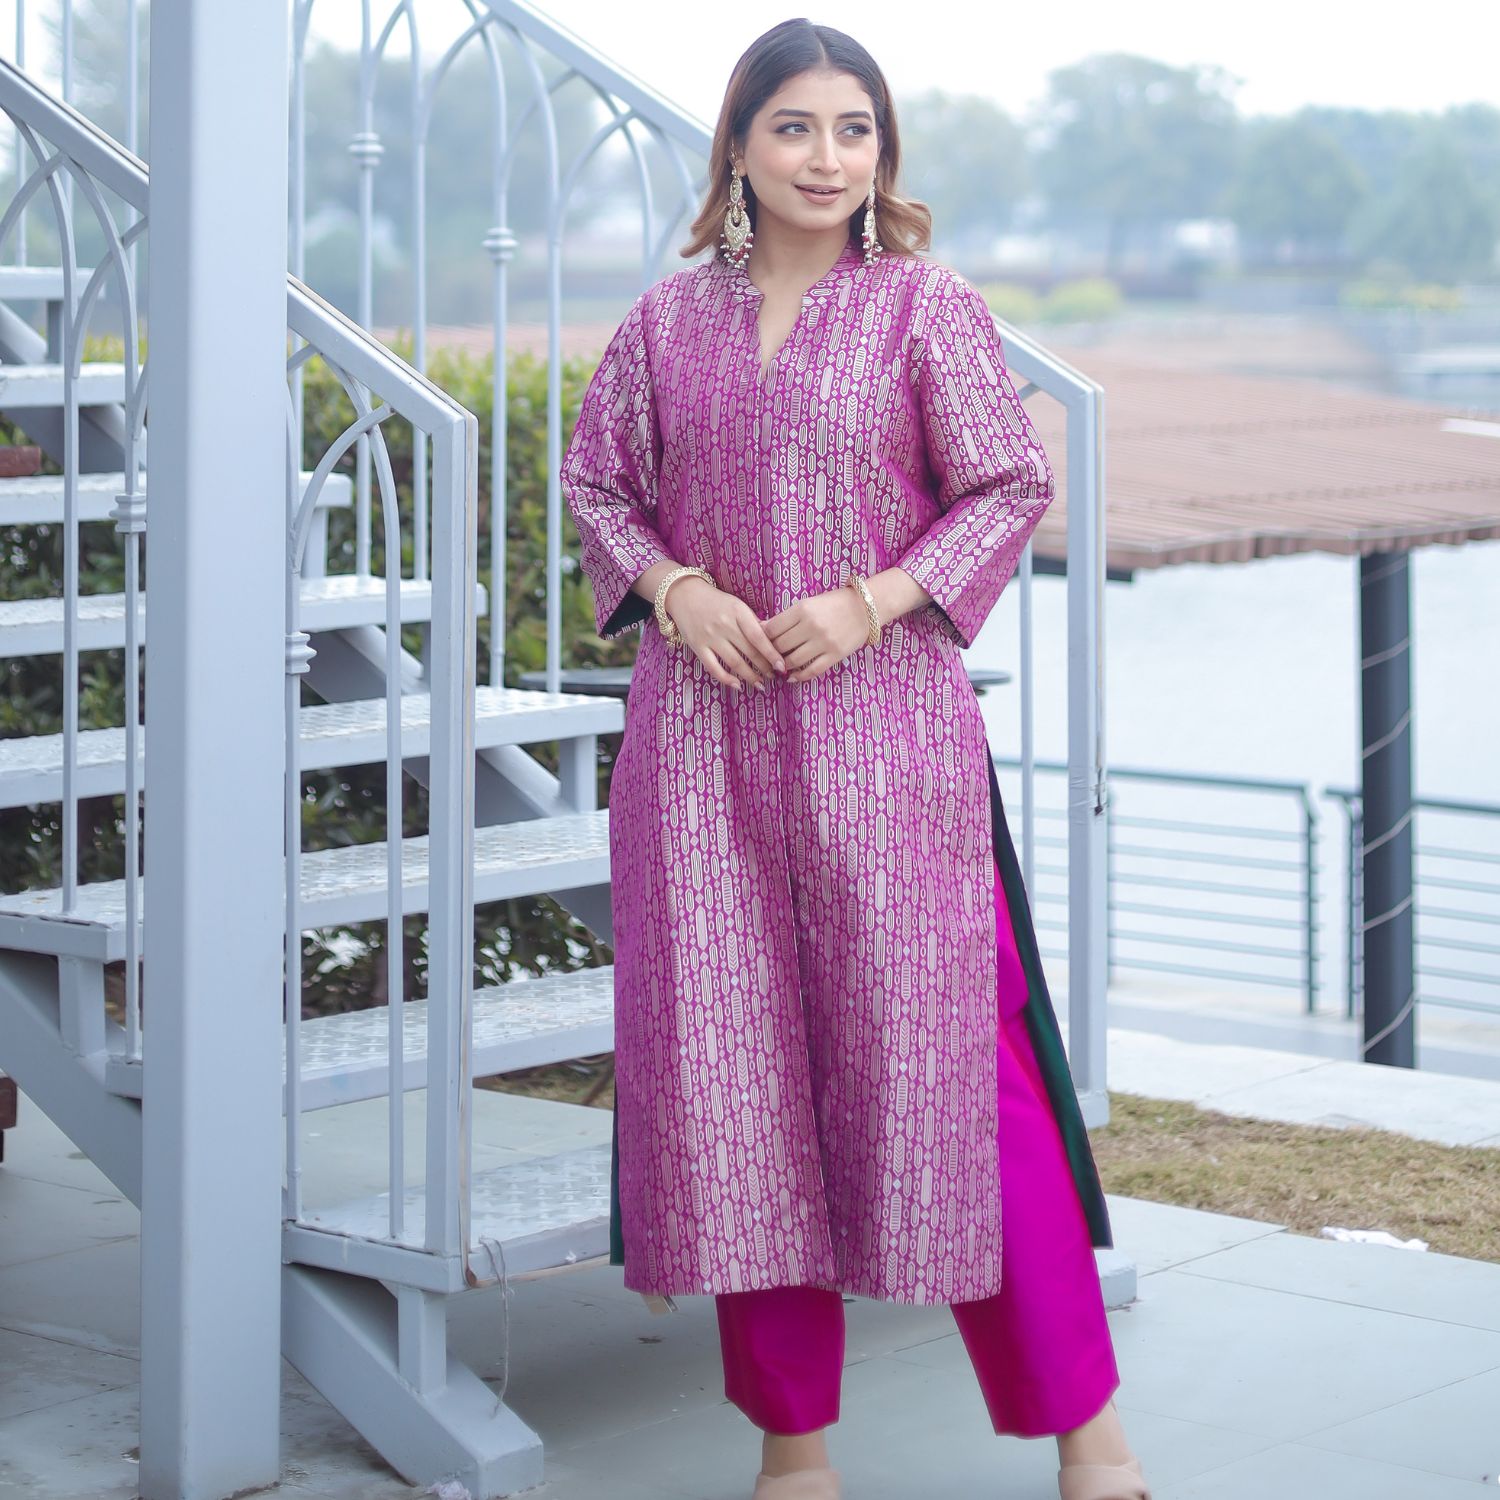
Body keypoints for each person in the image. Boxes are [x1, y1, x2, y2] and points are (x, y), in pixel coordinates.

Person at [560, 19, 1150, 1500]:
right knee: (733, 1080)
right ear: (740, 149)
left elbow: (1007, 482)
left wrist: (870, 600)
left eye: (856, 131)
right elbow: (597, 486)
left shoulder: (923, 309)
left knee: (965, 1082)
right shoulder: (663, 324)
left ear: (884, 154)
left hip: (884, 747)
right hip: (701, 755)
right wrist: (681, 594)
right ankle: (794, 1454)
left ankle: (1096, 1445)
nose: (828, 159)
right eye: (796, 130)